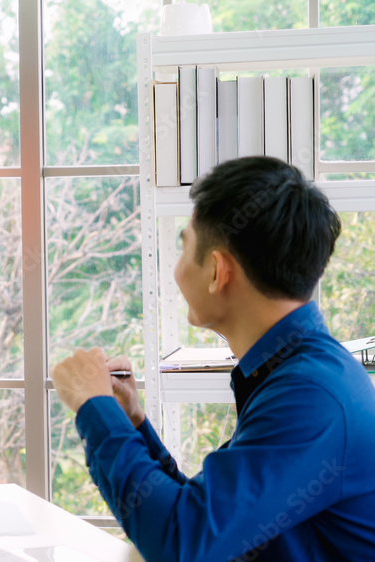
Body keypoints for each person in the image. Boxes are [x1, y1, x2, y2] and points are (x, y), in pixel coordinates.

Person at [50, 156, 375, 561]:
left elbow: (182, 543)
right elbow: (210, 524)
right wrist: (130, 422)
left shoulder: (311, 395)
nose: (176, 269)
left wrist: (93, 407)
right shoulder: (298, 374)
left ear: (218, 270)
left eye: (184, 246)